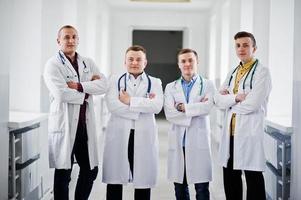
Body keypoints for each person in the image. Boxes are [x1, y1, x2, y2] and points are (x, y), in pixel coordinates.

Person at [43, 25, 108, 200]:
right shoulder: (52, 64)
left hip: (84, 126)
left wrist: (79, 86)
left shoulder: (87, 62)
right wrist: (89, 90)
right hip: (64, 125)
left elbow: (104, 85)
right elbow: (61, 93)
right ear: (58, 41)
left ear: (78, 40)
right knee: (64, 172)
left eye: (74, 37)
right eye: (66, 37)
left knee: (91, 170)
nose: (70, 40)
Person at [214, 31, 272, 200]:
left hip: (249, 133)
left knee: (253, 178)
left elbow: (252, 104)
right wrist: (236, 98)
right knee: (230, 177)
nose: (241, 49)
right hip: (230, 134)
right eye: (238, 45)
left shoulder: (262, 72)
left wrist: (228, 101)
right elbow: (217, 100)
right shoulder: (233, 71)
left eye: (246, 45)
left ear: (254, 48)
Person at [102, 45, 163, 200]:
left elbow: (156, 107)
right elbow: (113, 106)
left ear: (145, 62)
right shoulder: (114, 80)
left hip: (143, 135)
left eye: (138, 59)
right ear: (125, 62)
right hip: (119, 134)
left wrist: (129, 101)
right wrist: (142, 106)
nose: (134, 62)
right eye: (131, 59)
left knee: (142, 180)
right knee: (115, 179)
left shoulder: (155, 82)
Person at [164, 48, 215, 200]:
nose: (187, 64)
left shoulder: (207, 85)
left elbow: (207, 108)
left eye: (190, 60)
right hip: (179, 142)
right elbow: (170, 114)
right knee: (180, 188)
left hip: (199, 142)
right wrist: (195, 109)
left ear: (197, 62)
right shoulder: (170, 87)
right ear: (178, 64)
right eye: (183, 61)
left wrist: (182, 108)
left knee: (202, 189)